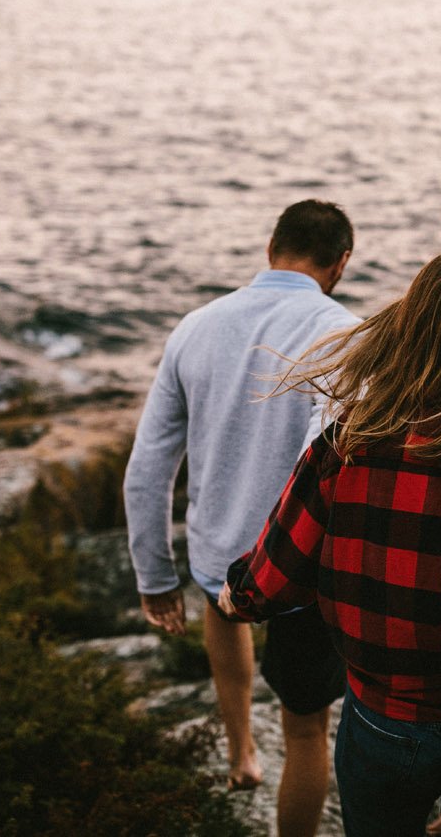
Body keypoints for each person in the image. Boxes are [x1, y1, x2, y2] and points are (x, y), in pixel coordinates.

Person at [220, 250, 441, 837]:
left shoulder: (347, 443)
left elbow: (270, 583)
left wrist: (235, 599)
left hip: (384, 725)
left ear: (411, 327)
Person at [123, 199, 358, 837]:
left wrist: (153, 575)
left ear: (269, 249)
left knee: (224, 609)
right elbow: (339, 465)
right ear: (339, 264)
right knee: (307, 728)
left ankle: (240, 755)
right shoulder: (349, 337)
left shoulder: (195, 327)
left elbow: (148, 465)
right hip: (306, 567)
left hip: (218, 548)